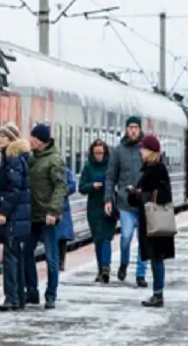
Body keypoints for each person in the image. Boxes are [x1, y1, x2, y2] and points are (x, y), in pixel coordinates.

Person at [126, 134, 174, 307]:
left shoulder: (157, 169)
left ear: (151, 151)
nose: (140, 151)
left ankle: (158, 294)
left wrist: (140, 194)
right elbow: (142, 196)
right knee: (154, 257)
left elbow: (164, 195)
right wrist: (133, 194)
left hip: (156, 221)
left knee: (157, 257)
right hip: (149, 219)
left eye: (143, 148)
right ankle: (157, 293)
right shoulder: (148, 169)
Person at [25, 123, 67, 309]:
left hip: (48, 217)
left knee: (51, 258)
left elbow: (60, 187)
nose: (30, 140)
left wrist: (53, 212)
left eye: (33, 138)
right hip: (32, 215)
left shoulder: (54, 160)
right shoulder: (32, 159)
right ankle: (32, 291)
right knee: (26, 253)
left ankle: (51, 295)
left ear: (40, 140)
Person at [104, 117, 149, 287]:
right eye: (130, 127)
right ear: (126, 129)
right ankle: (124, 262)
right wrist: (108, 199)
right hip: (125, 203)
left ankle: (141, 274)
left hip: (144, 203)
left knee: (143, 240)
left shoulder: (146, 150)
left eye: (136, 127)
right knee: (126, 236)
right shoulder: (118, 151)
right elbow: (110, 177)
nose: (133, 130)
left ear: (140, 129)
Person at [0, 123, 32, 311]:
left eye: (4, 136)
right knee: (16, 255)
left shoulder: (12, 159)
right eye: (0, 136)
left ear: (11, 140)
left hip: (14, 217)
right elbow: (12, 184)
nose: (1, 139)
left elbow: (14, 190)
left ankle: (12, 298)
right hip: (19, 215)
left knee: (10, 257)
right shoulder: (15, 159)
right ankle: (19, 298)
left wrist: (3, 213)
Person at [79, 139, 117, 283]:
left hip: (109, 205)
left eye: (101, 153)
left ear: (105, 152)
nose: (98, 156)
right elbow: (81, 187)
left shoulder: (111, 165)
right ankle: (100, 269)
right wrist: (92, 185)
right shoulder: (88, 167)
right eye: (96, 153)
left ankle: (106, 268)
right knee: (98, 239)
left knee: (107, 237)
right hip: (94, 207)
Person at [56, 165, 77, 272]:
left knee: (62, 238)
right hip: (53, 207)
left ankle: (61, 262)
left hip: (62, 207)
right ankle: (56, 261)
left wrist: (63, 191)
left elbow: (72, 185)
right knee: (53, 237)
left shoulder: (65, 170)